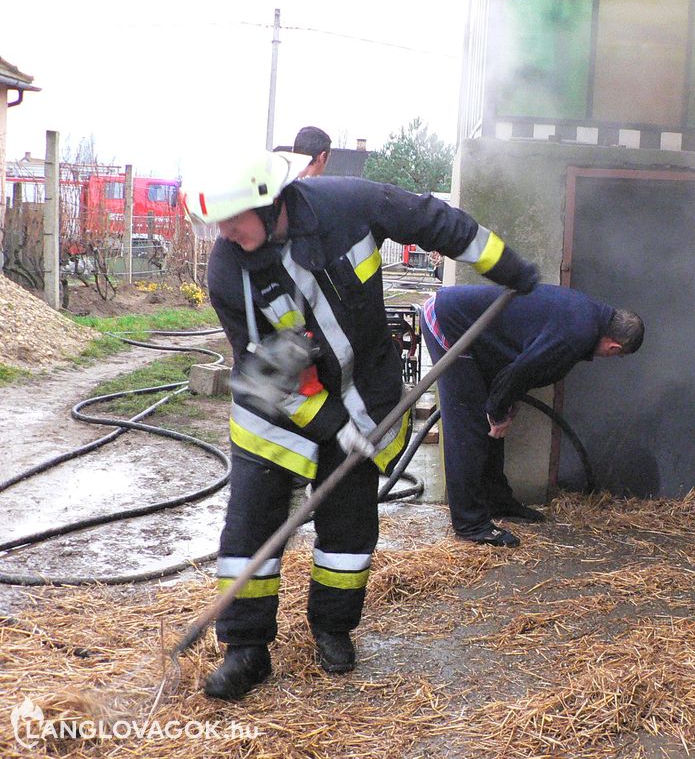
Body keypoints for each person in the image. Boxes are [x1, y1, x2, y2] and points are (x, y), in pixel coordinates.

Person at [182, 150, 538, 700]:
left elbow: (433, 220)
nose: (225, 234)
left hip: (365, 396)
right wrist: (329, 425)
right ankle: (246, 649)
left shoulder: (350, 205)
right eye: (218, 224)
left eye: (233, 219)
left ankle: (332, 628)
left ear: (270, 201)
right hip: (276, 414)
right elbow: (263, 369)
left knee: (348, 529)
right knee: (250, 528)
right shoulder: (228, 272)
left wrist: (501, 264)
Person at [421, 284, 644, 547]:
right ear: (614, 347)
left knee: (485, 421)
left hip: (469, 326)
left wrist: (504, 404)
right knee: (467, 425)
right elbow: (520, 371)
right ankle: (470, 523)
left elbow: (526, 361)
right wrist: (498, 412)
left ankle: (496, 501)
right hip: (449, 322)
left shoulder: (590, 315)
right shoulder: (577, 335)